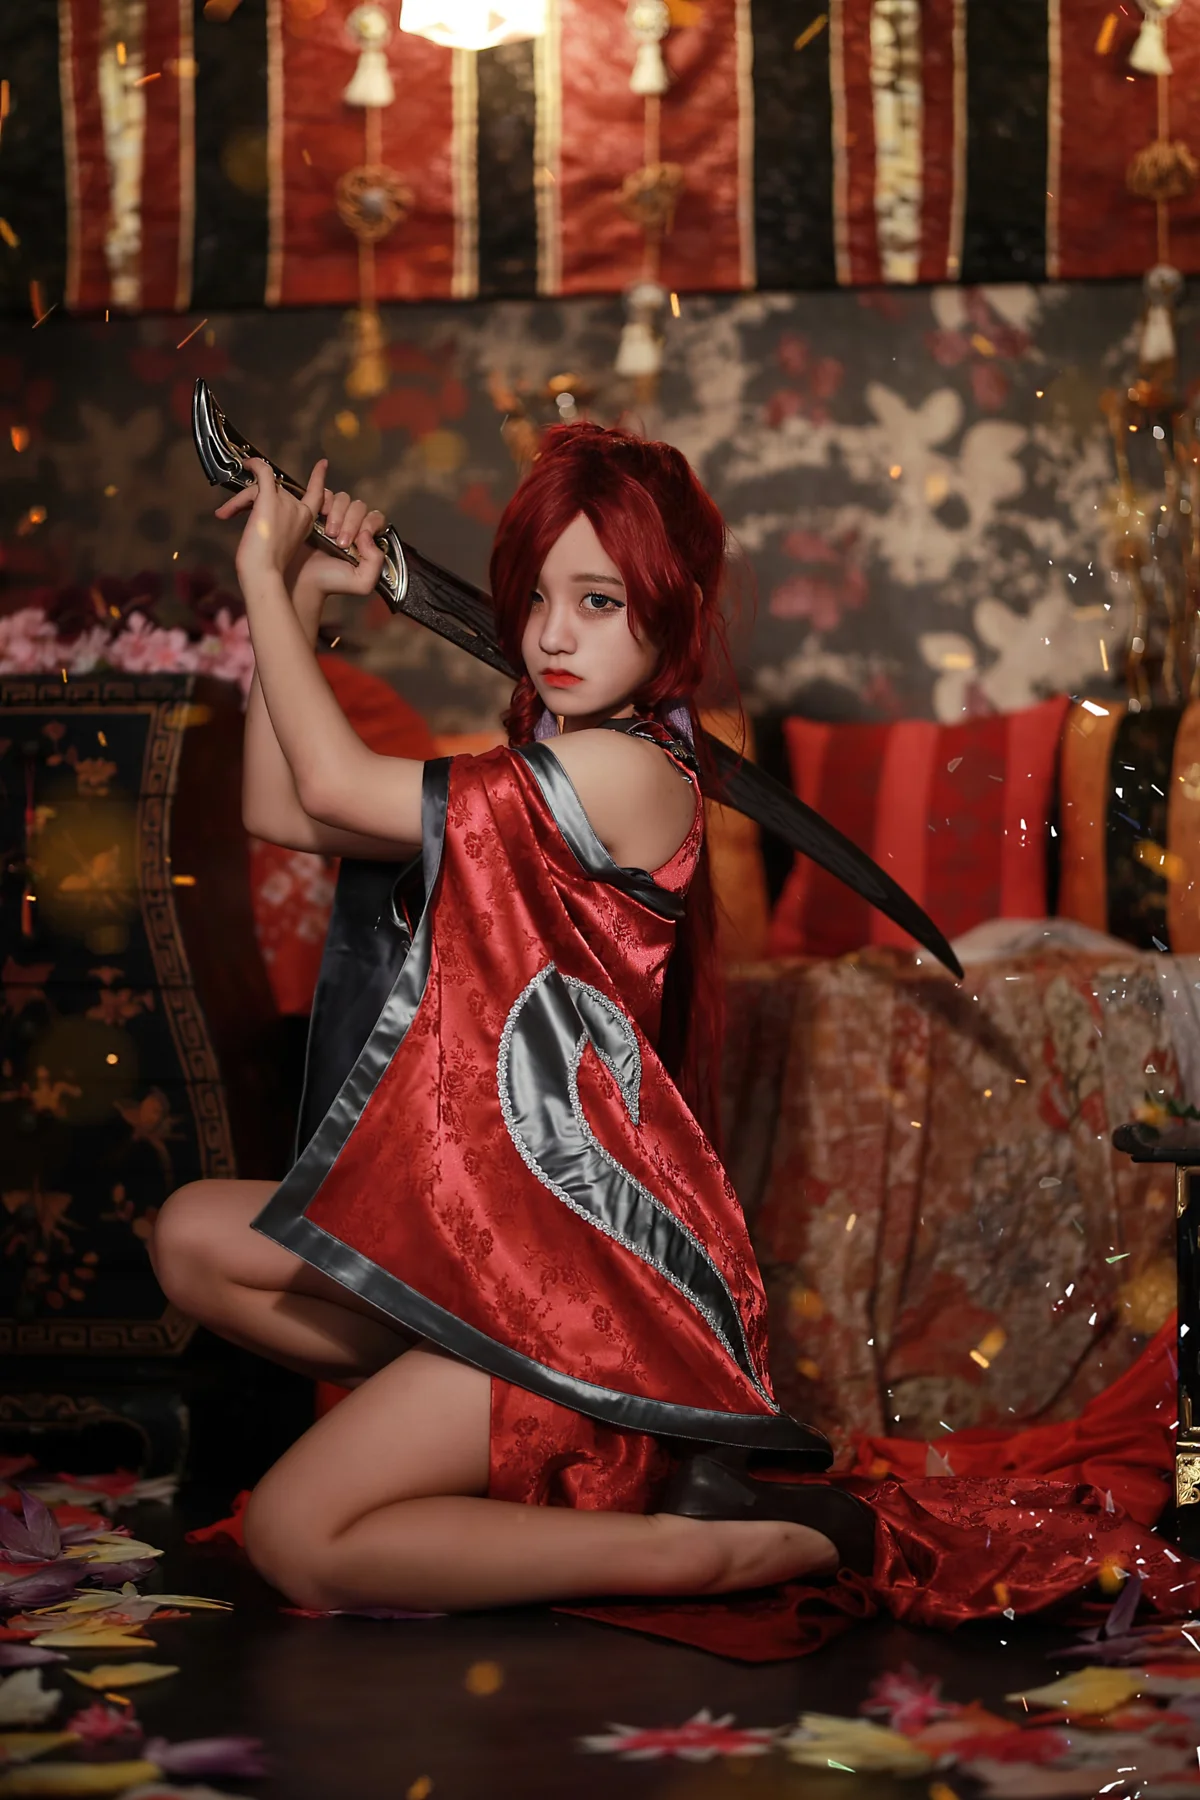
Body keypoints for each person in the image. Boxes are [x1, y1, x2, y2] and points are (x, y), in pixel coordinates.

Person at [150, 423, 874, 1613]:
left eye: (598, 601)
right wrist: (300, 598)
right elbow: (285, 813)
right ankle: (472, 1400)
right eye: (537, 597)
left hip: (581, 1285)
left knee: (294, 1537)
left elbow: (332, 782)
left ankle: (709, 1548)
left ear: (674, 613)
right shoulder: (549, 762)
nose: (551, 635)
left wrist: (260, 583)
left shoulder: (631, 774)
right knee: (191, 1236)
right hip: (498, 1239)